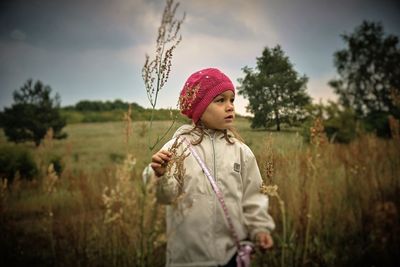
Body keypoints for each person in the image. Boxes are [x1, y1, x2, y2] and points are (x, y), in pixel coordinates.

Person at [151, 68, 275, 267]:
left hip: (231, 256)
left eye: (232, 100)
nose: (230, 107)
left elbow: (253, 197)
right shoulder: (176, 149)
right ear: (199, 107)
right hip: (188, 259)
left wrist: (260, 229)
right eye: (220, 100)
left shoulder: (241, 151)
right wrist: (160, 174)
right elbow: (166, 197)